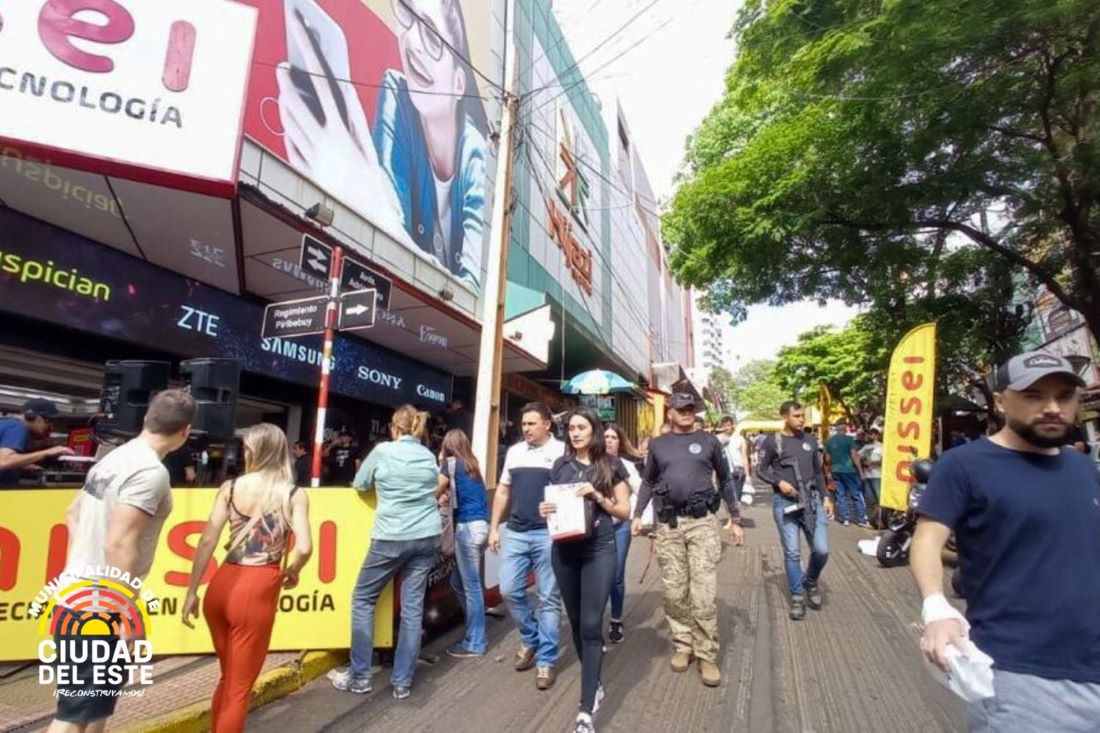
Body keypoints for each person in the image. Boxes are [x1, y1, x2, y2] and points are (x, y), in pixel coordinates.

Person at [912, 352, 1100, 732]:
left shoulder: (1084, 468)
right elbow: (927, 540)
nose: (1052, 407)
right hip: (1021, 674)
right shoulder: (964, 465)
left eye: (1064, 396)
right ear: (1000, 401)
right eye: (1033, 395)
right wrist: (936, 608)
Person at [277, 0, 488, 290]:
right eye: (407, 15)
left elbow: (471, 289)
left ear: (459, 83)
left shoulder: (476, 154)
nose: (412, 40)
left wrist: (365, 200)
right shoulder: (396, 93)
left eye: (432, 37)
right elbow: (388, 209)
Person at [47, 390, 195, 733]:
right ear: (185, 431)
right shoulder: (149, 472)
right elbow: (120, 544)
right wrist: (124, 616)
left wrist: (81, 565)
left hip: (81, 596)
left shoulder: (114, 458)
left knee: (96, 707)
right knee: (73, 714)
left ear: (146, 419)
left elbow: (73, 514)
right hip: (98, 608)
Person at [181, 425, 313, 733]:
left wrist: (191, 591)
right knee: (239, 688)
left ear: (253, 450)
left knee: (228, 678)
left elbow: (206, 542)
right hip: (258, 587)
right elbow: (305, 547)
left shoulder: (229, 487)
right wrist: (293, 570)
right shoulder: (293, 494)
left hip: (222, 583)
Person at [631, 393, 743, 688]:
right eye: (682, 409)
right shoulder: (658, 444)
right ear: (670, 412)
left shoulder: (710, 442)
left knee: (704, 593)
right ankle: (684, 645)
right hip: (669, 526)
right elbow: (649, 481)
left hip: (703, 524)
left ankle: (707, 654)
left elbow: (727, 479)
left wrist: (735, 517)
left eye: (691, 409)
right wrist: (637, 514)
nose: (688, 413)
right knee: (673, 591)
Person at [332, 406, 442, 698]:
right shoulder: (429, 456)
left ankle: (359, 676)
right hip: (428, 535)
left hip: (392, 536)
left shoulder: (382, 452)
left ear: (394, 428)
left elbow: (360, 484)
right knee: (412, 608)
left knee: (363, 598)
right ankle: (402, 683)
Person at [541, 408, 632, 733]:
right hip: (564, 551)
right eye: (571, 428)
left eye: (582, 427)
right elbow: (552, 507)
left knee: (592, 625)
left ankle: (585, 711)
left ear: (593, 430)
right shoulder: (560, 466)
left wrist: (598, 497)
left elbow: (624, 511)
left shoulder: (610, 465)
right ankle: (594, 682)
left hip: (599, 550)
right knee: (578, 623)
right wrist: (545, 509)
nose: (575, 433)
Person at [488, 402, 565, 690]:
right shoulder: (515, 452)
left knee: (548, 597)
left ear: (547, 424)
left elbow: (569, 492)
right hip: (516, 533)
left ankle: (546, 660)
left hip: (548, 535)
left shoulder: (561, 453)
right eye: (524, 424)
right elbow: (504, 490)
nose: (526, 429)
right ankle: (531, 637)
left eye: (532, 423)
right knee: (508, 589)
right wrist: (495, 527)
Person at [757, 401, 829, 621]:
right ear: (785, 417)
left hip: (812, 500)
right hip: (784, 503)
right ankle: (797, 596)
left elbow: (818, 472)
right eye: (796, 416)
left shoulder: (809, 440)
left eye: (802, 416)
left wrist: (826, 497)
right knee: (792, 552)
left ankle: (811, 580)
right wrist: (779, 483)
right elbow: (760, 470)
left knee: (821, 549)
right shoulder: (773, 442)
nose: (801, 420)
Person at [437, 428, 491, 658]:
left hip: (467, 529)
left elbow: (434, 489)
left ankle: (476, 641)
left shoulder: (449, 463)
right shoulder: (472, 465)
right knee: (459, 583)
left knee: (471, 587)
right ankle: (474, 630)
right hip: (482, 527)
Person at [602, 423, 644, 644]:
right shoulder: (592, 462)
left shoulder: (626, 465)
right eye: (605, 436)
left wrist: (637, 516)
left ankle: (616, 619)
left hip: (620, 526)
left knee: (616, 576)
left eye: (613, 437)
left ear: (620, 441)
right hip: (596, 529)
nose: (609, 440)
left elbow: (641, 490)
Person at [0, 398, 73, 487]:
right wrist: (48, 452)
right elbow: (4, 461)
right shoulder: (17, 428)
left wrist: (21, 465)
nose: (51, 426)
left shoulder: (6, 424)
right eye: (48, 420)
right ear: (31, 416)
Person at [825, 425, 870, 527]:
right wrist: (860, 471)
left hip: (835, 470)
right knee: (856, 494)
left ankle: (846, 519)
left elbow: (827, 459)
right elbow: (854, 455)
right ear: (845, 430)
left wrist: (828, 471)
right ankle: (861, 519)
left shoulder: (830, 441)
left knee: (840, 495)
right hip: (849, 470)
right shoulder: (849, 440)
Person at [858, 428, 884, 507]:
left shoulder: (881, 446)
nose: (869, 436)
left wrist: (873, 463)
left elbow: (884, 460)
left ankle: (881, 514)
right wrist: (863, 462)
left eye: (871, 434)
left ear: (876, 435)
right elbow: (857, 456)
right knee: (870, 498)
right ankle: (872, 515)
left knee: (878, 496)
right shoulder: (866, 447)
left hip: (877, 475)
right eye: (869, 434)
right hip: (867, 475)